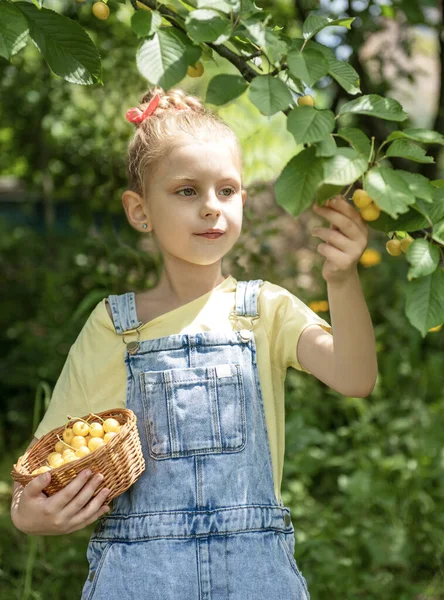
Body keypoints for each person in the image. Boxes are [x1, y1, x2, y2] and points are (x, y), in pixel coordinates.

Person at [10, 86, 378, 599]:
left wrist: (341, 280)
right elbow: (42, 468)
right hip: (139, 581)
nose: (211, 207)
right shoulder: (116, 326)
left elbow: (355, 377)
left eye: (226, 190)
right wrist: (30, 514)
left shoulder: (264, 310)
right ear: (140, 211)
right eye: (187, 191)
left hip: (255, 578)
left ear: (243, 201)